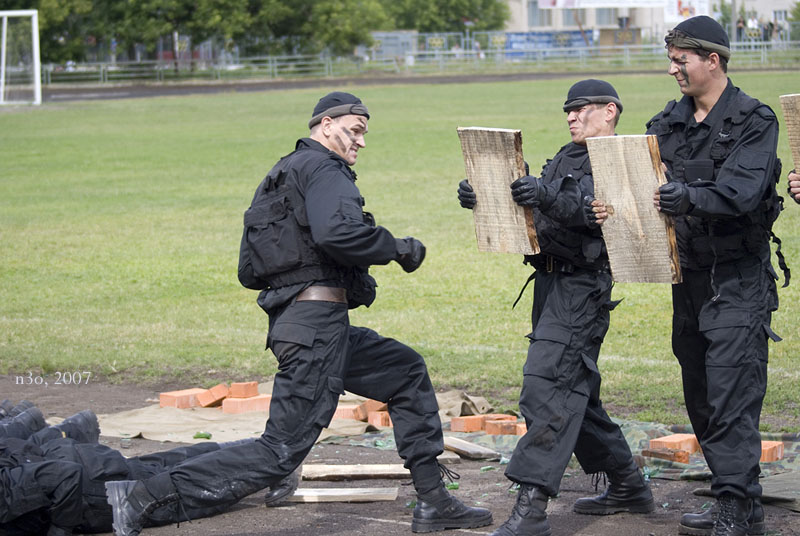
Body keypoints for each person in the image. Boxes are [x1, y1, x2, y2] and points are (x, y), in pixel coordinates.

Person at [103, 91, 492, 536]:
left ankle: (434, 501)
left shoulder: (281, 173)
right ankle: (143, 497)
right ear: (326, 125)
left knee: (404, 370)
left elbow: (249, 270)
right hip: (316, 327)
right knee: (280, 450)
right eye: (356, 130)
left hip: (300, 324)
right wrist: (400, 249)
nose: (361, 141)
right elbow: (337, 233)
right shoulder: (325, 170)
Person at [457, 79, 654, 536]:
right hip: (550, 281)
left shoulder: (620, 158)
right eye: (568, 110)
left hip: (582, 287)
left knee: (546, 389)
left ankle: (531, 511)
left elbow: (599, 214)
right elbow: (538, 208)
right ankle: (628, 484)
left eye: (581, 108)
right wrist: (486, 192)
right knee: (573, 391)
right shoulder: (567, 155)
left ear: (610, 111)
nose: (571, 116)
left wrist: (543, 195)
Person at [638, 15, 785, 536]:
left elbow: (742, 192)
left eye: (681, 60)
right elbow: (631, 178)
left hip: (738, 279)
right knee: (700, 392)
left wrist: (688, 196)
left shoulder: (753, 120)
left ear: (713, 60)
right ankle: (738, 498)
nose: (672, 69)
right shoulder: (665, 123)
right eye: (670, 60)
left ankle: (736, 509)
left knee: (731, 391)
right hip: (689, 279)